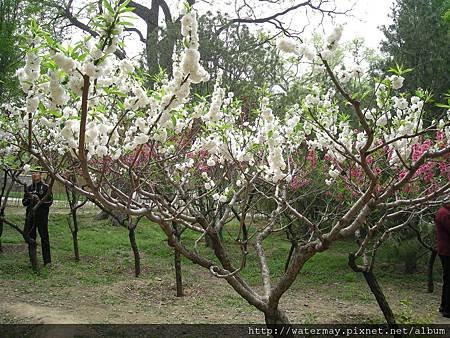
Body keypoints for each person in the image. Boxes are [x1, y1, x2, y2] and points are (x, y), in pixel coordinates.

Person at [22, 171, 53, 266]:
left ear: (41, 175)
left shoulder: (46, 187)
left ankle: (47, 261)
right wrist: (30, 199)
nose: (34, 175)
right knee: (31, 238)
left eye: (36, 173)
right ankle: (33, 260)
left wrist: (40, 201)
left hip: (42, 217)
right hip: (31, 216)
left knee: (44, 237)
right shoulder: (28, 188)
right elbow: (24, 202)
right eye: (32, 173)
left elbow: (50, 202)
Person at [436, 202, 450, 318]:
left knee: (447, 280)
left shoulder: (443, 211)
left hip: (445, 251)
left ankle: (444, 306)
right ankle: (447, 310)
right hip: (447, 252)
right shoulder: (445, 213)